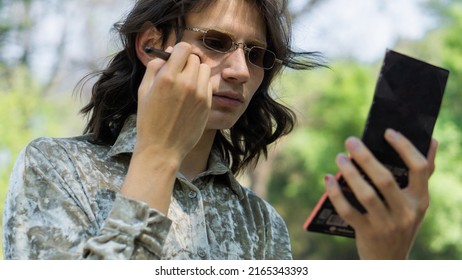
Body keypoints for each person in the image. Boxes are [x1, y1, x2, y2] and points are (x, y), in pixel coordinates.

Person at [2, 0, 437, 260]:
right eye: (215, 41)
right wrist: (157, 157)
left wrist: (386, 260)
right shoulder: (56, 167)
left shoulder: (262, 224)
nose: (240, 70)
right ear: (152, 42)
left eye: (256, 54)